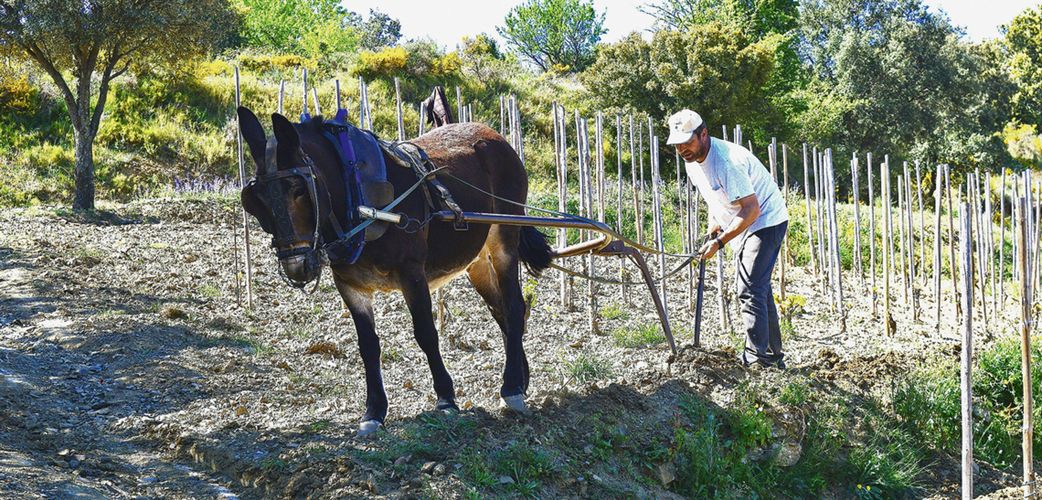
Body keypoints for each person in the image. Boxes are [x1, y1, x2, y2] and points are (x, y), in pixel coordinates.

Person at [666, 109, 790, 369]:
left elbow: (752, 209)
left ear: (703, 134)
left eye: (687, 142)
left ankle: (757, 360)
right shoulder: (692, 163)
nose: (683, 149)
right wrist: (715, 225)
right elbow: (716, 196)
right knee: (759, 288)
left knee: (749, 288)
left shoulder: (725, 161)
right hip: (744, 221)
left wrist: (720, 242)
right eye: (677, 145)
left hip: (766, 220)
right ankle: (772, 356)